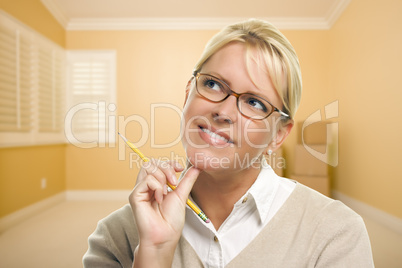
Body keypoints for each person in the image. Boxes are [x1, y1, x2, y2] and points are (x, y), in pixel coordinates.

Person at [83, 19, 374, 267]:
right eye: (213, 84)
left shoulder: (337, 233)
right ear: (188, 95)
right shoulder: (116, 236)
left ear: (278, 135)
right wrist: (155, 255)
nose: (222, 111)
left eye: (254, 102)